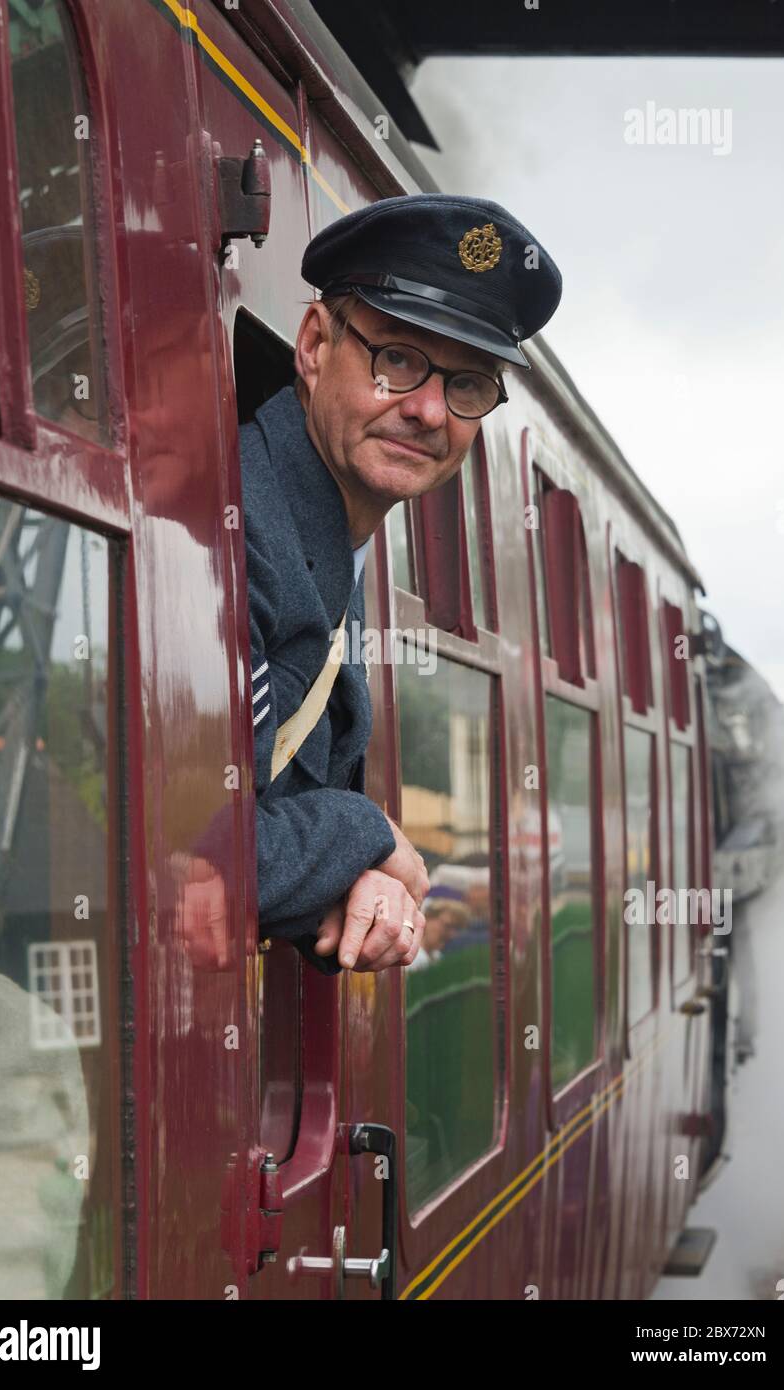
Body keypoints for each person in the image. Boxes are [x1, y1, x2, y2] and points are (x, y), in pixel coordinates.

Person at [195, 193, 562, 975]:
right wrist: (370, 837)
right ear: (314, 343)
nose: (429, 409)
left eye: (467, 384)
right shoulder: (239, 535)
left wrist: (358, 881)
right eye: (397, 358)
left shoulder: (323, 524)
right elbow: (199, 858)